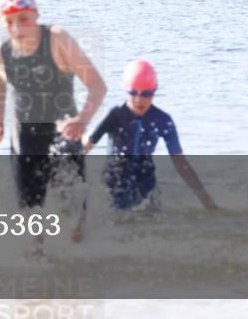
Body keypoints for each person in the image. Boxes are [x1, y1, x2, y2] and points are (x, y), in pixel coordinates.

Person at [0, 0, 107, 249]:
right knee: (32, 236)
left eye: (24, 19)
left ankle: (80, 282)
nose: (17, 28)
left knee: (75, 227)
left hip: (63, 140)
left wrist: (83, 120)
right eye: (10, 22)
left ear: (36, 13)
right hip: (24, 144)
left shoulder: (57, 39)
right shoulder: (1, 52)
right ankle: (38, 286)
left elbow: (98, 87)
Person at [84, 59, 217, 212]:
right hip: (114, 186)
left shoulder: (162, 120)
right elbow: (86, 146)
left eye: (146, 94)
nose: (139, 99)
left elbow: (181, 164)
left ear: (154, 91)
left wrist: (206, 201)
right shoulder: (115, 115)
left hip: (146, 189)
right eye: (133, 93)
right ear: (126, 90)